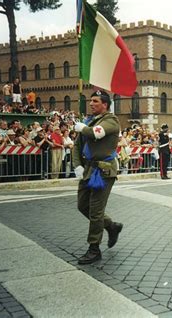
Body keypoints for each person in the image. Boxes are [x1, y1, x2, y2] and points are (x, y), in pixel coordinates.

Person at [73, 90, 124, 264]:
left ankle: (94, 249)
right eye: (90, 100)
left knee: (95, 211)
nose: (91, 103)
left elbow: (96, 133)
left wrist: (83, 128)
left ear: (105, 104)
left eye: (95, 101)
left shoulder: (111, 120)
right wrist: (77, 165)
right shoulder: (89, 121)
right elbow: (77, 145)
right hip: (88, 170)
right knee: (82, 206)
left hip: (103, 171)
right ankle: (111, 226)